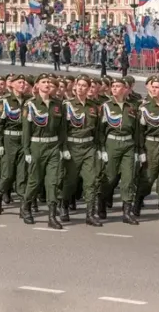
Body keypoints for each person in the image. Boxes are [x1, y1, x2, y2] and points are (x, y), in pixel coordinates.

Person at [21, 74, 66, 229]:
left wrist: (62, 148)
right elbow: (26, 130)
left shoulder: (58, 104)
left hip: (53, 146)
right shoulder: (30, 104)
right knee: (34, 180)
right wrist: (27, 151)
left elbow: (62, 130)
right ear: (37, 86)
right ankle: (26, 207)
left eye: (49, 82)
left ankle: (52, 216)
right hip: (36, 146)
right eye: (43, 82)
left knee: (52, 182)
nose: (47, 84)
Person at [97, 77, 141, 225]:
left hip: (128, 143)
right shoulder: (105, 107)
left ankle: (126, 212)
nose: (115, 88)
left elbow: (137, 131)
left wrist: (137, 150)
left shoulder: (131, 108)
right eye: (113, 86)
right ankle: (102, 200)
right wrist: (102, 149)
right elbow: (100, 131)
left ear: (125, 89)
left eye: (118, 86)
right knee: (109, 177)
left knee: (128, 178)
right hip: (112, 142)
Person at [60, 75, 103, 227]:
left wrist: (99, 148)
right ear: (75, 86)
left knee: (91, 182)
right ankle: (64, 205)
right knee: (70, 181)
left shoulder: (94, 106)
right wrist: (64, 148)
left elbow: (97, 130)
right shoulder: (67, 105)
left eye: (85, 85)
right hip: (72, 147)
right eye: (79, 85)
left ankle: (90, 214)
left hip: (89, 147)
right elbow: (63, 130)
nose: (81, 88)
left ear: (89, 88)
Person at [133, 76, 159, 221]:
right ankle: (138, 199)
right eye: (152, 86)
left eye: (157, 87)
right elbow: (139, 131)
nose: (154, 89)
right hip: (150, 144)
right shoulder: (144, 107)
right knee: (148, 176)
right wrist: (140, 150)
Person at [0, 74, 28, 216]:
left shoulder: (28, 101)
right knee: (7, 174)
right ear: (12, 84)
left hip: (23, 140)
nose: (22, 85)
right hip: (9, 140)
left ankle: (23, 206)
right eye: (19, 82)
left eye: (24, 83)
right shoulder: (4, 101)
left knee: (22, 175)